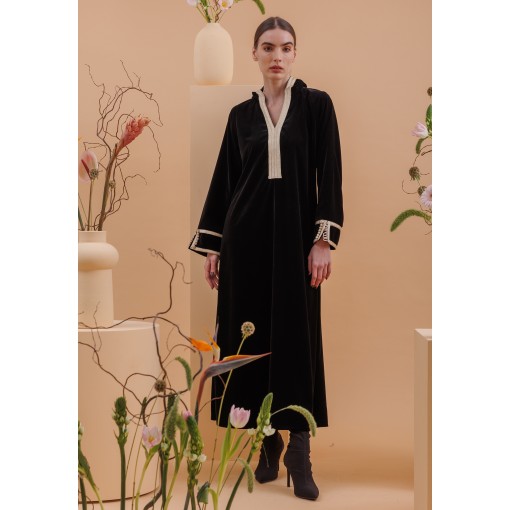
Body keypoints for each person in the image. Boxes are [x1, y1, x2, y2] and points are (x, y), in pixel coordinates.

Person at [189, 16, 344, 501]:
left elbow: (330, 173)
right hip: (246, 242)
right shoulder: (240, 116)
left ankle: (299, 448)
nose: (277, 55)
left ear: (295, 54)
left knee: (297, 339)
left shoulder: (317, 106)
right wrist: (215, 245)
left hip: (297, 240)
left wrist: (323, 240)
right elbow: (225, 181)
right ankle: (266, 439)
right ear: (254, 53)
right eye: (268, 47)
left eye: (286, 47)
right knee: (249, 340)